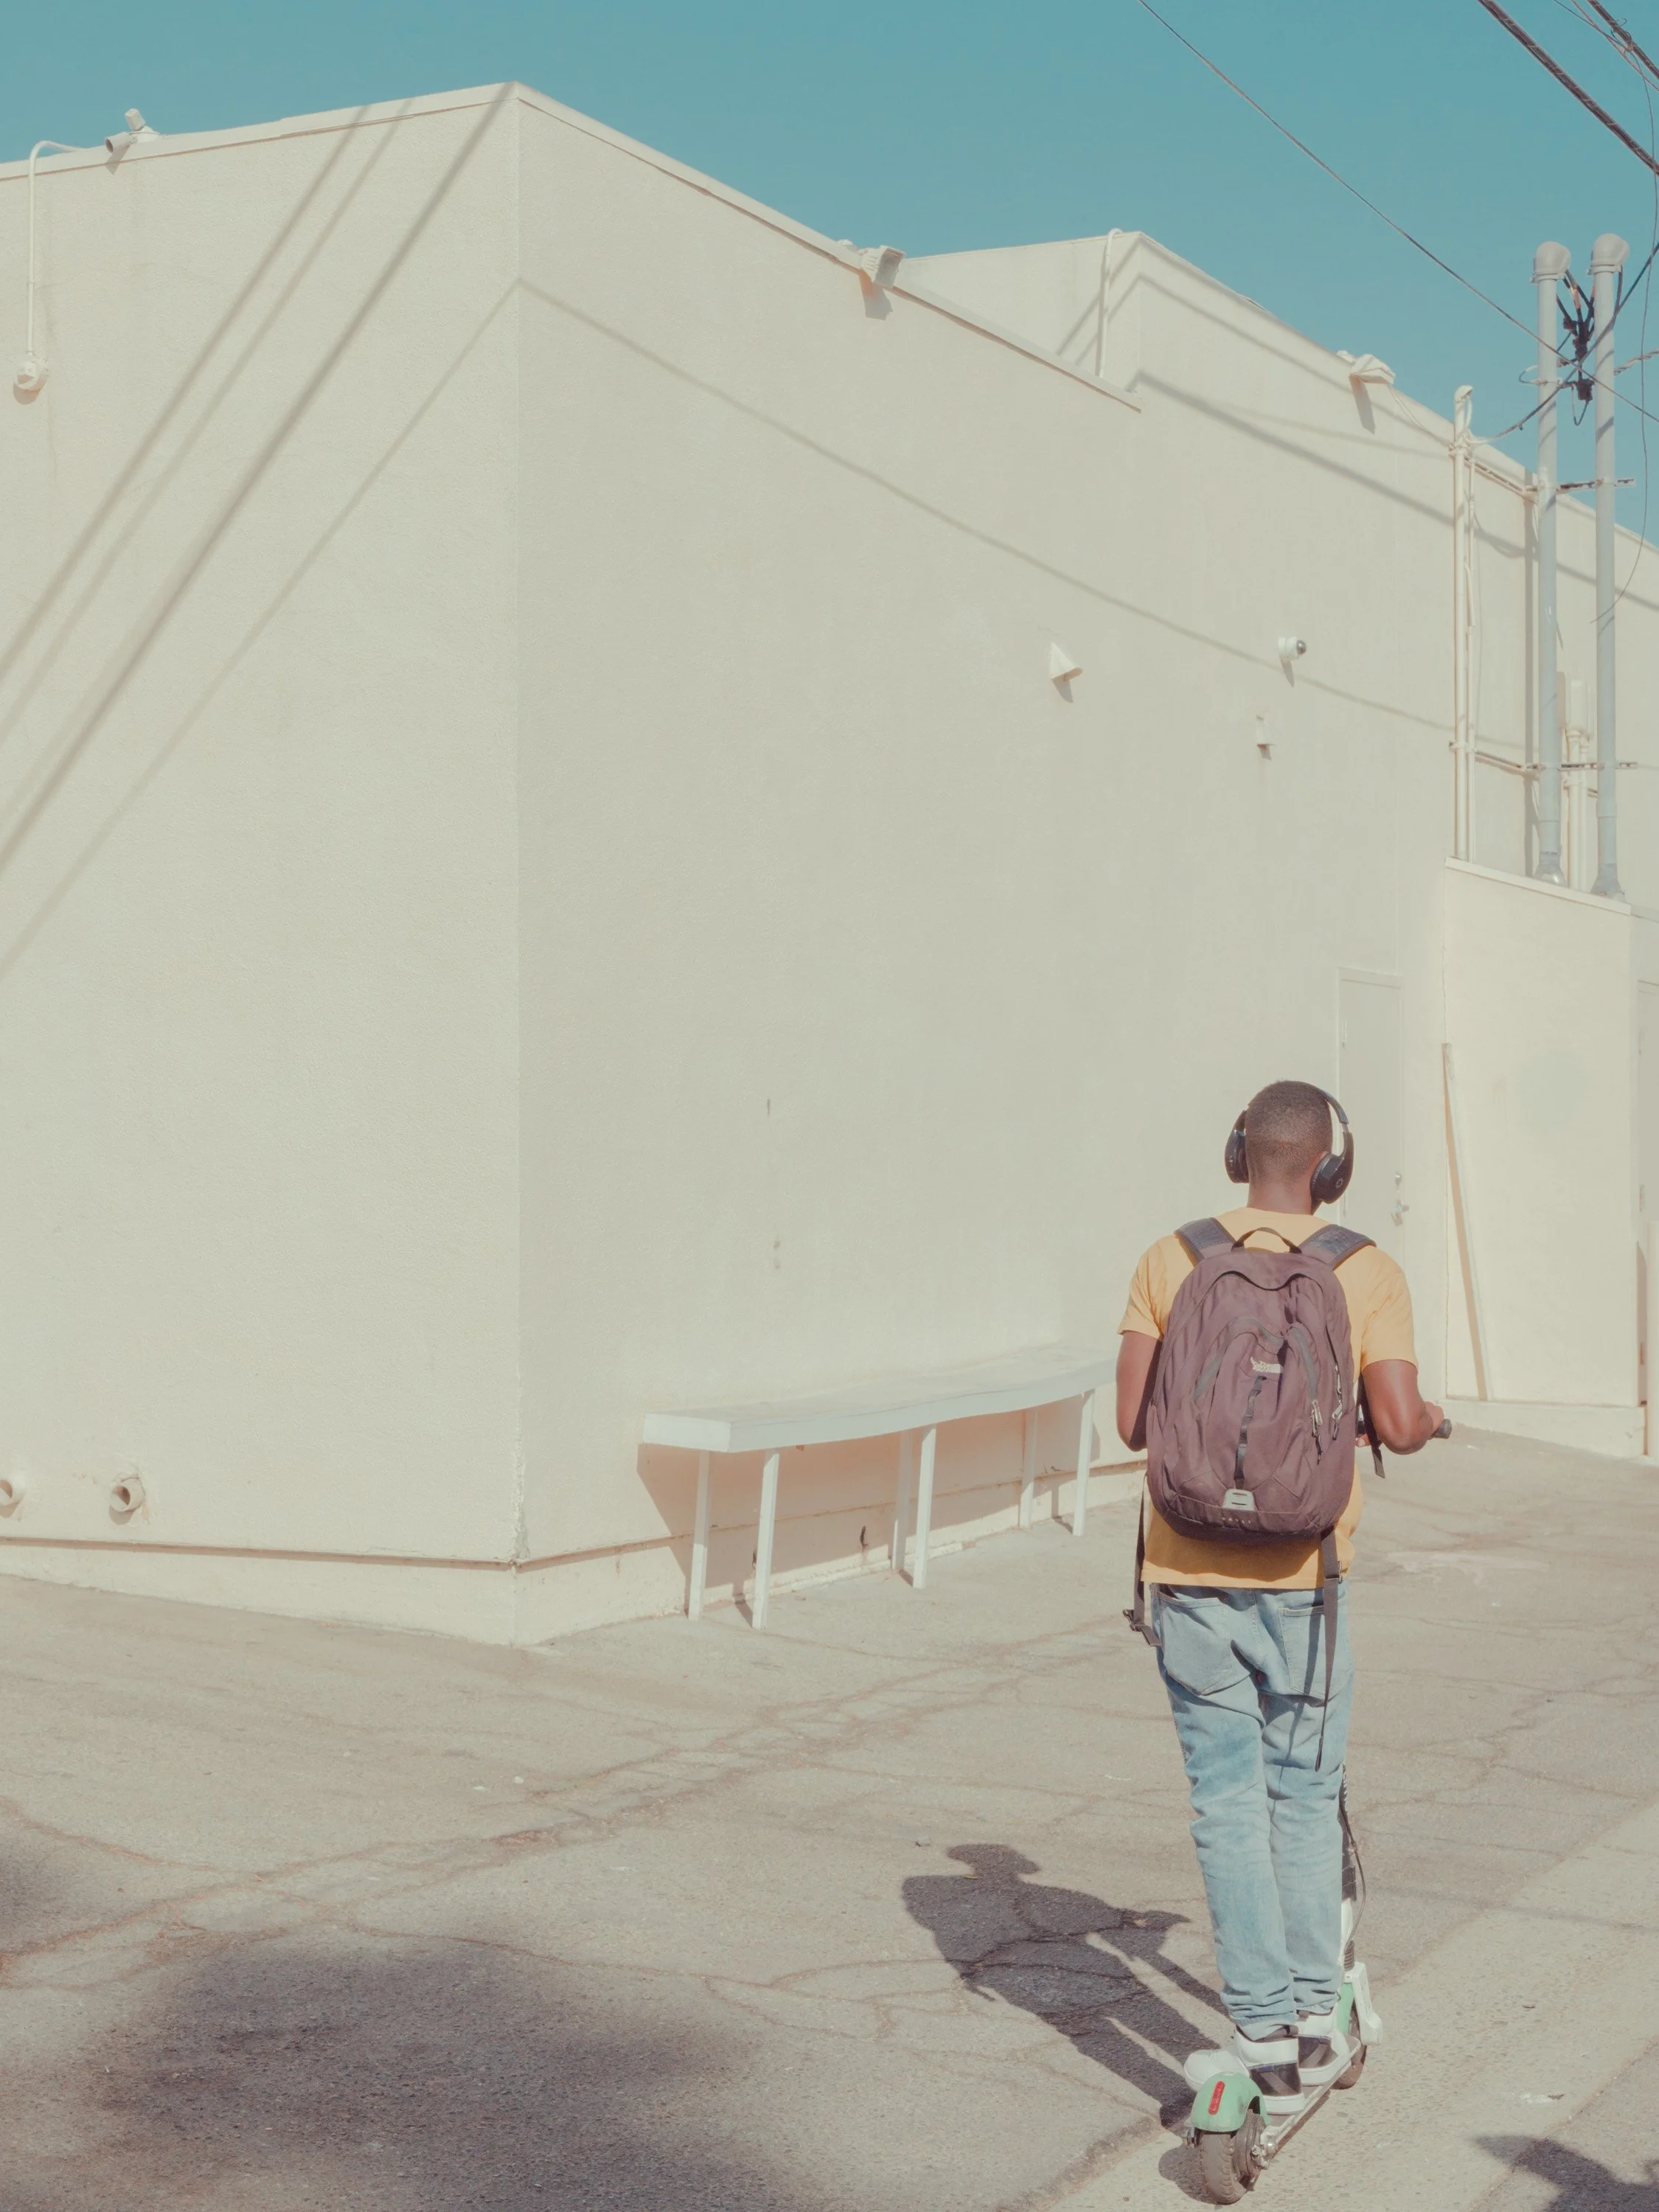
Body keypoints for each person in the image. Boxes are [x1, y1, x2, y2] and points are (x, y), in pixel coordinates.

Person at [1113, 1079, 1443, 2106]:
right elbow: (1398, 1423)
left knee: (1224, 1806)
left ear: (1237, 1152)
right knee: (1300, 1799)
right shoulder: (1365, 1269)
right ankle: (1310, 2015)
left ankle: (1257, 2033)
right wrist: (1428, 1420)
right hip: (1306, 1578)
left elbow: (1132, 1422)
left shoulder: (1170, 1258)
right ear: (1329, 1168)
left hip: (1186, 1569)